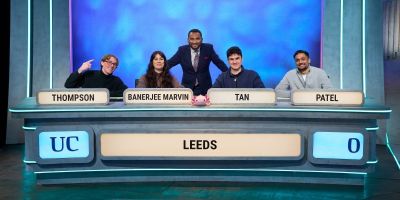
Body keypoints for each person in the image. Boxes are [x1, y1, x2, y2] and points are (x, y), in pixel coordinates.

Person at [168, 28, 228, 95]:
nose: (195, 41)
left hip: (206, 89)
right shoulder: (182, 51)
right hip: (187, 89)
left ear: (202, 39)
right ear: (188, 40)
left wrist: (230, 75)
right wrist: (156, 71)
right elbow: (169, 63)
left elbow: (219, 63)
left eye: (197, 39)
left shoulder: (208, 49)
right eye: (192, 39)